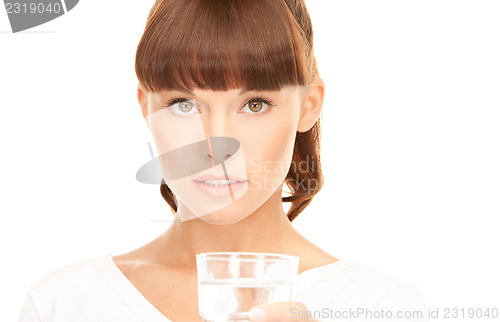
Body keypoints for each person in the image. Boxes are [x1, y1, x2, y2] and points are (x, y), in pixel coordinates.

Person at [18, 0, 428, 321]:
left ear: (309, 105)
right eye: (183, 105)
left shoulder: (380, 305)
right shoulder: (64, 304)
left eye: (254, 104)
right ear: (146, 106)